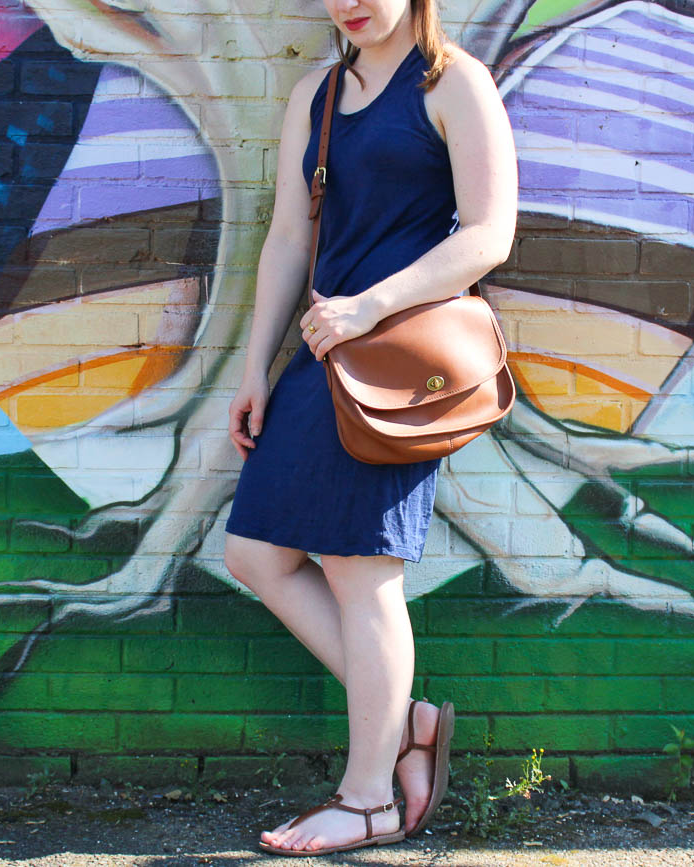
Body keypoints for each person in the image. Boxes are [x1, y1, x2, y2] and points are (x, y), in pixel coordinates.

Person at [221, 0, 517, 856]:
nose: (349, 2)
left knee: (360, 569)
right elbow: (288, 237)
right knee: (256, 556)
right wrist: (253, 368)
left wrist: (371, 305)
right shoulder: (316, 93)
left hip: (396, 369)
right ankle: (410, 723)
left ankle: (367, 800)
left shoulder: (455, 83)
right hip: (321, 358)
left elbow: (490, 233)